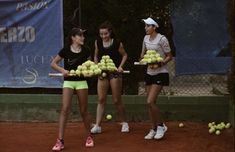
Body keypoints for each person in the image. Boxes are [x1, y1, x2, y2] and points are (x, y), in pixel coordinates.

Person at [51, 28, 94, 151]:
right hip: (69, 82)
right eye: (80, 36)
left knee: (84, 110)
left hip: (81, 82)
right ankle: (60, 140)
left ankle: (89, 136)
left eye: (83, 36)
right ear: (73, 37)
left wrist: (89, 72)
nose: (83, 38)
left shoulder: (86, 50)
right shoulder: (65, 50)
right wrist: (63, 71)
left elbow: (91, 65)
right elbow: (53, 63)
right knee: (65, 109)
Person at [90, 21, 129, 134]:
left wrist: (120, 67)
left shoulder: (117, 43)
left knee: (117, 100)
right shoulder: (97, 42)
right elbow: (96, 55)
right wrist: (96, 66)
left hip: (115, 73)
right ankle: (97, 125)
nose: (103, 36)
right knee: (101, 99)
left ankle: (124, 122)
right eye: (101, 34)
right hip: (102, 73)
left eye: (105, 34)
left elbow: (125, 55)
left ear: (110, 32)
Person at [140, 17, 172, 140]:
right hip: (149, 73)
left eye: (148, 26)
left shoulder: (162, 39)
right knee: (150, 104)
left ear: (154, 27)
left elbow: (169, 56)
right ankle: (153, 129)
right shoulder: (145, 38)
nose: (146, 28)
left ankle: (160, 127)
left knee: (150, 101)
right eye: (145, 26)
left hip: (161, 73)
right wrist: (144, 60)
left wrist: (160, 63)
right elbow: (142, 55)